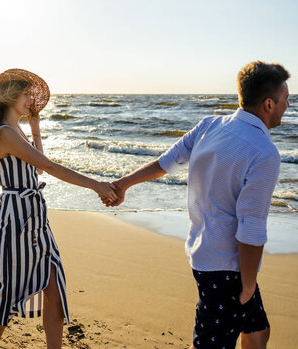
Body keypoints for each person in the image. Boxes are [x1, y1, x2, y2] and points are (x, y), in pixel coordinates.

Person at [105, 61, 290, 348]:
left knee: (257, 332)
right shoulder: (265, 153)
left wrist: (123, 184)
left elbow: (166, 162)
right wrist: (249, 284)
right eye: (285, 100)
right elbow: (250, 227)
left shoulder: (210, 125)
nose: (287, 106)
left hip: (204, 253)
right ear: (268, 103)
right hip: (228, 268)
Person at [0, 68, 117, 349]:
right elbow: (48, 167)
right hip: (17, 219)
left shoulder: (17, 130)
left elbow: (38, 168)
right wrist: (96, 185)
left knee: (55, 286)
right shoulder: (5, 133)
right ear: (11, 96)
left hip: (36, 217)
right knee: (6, 287)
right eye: (26, 95)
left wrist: (35, 128)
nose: (31, 101)